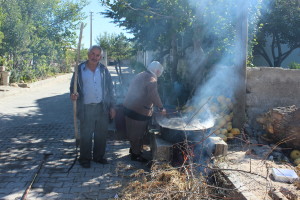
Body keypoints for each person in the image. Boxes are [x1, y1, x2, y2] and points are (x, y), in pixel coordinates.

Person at [70, 45, 116, 168]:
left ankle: (98, 157)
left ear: (100, 57)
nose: (94, 57)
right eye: (92, 54)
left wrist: (112, 106)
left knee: (101, 134)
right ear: (88, 54)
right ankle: (84, 158)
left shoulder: (103, 70)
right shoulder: (79, 70)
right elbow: (73, 87)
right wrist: (73, 95)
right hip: (86, 108)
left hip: (102, 107)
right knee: (86, 135)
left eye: (97, 55)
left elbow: (110, 89)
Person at [123, 61, 166, 162]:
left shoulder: (141, 74)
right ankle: (135, 155)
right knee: (137, 133)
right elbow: (153, 95)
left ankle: (134, 149)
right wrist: (161, 107)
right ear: (158, 71)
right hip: (138, 110)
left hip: (129, 107)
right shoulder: (152, 79)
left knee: (132, 131)